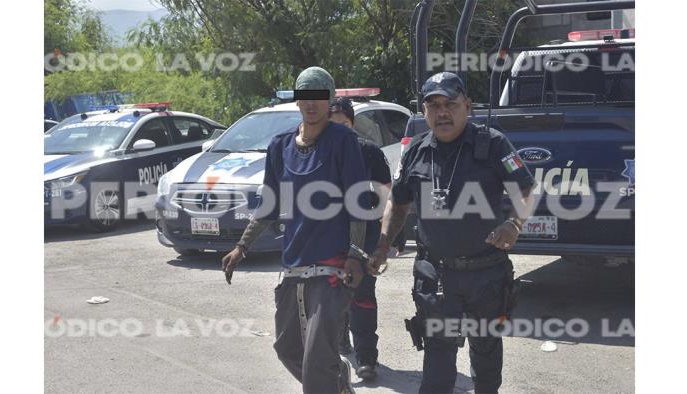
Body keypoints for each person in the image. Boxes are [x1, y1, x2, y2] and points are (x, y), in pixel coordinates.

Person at [367, 72, 536, 394]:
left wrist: (514, 224)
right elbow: (398, 205)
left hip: (486, 274)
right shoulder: (416, 150)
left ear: (467, 107)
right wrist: (382, 246)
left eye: (450, 104)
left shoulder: (493, 143)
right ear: (424, 110)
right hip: (436, 275)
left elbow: (525, 190)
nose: (442, 113)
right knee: (437, 360)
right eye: (433, 106)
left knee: (486, 357)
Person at [221, 67, 372, 394]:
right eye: (305, 96)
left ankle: (329, 381)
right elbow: (269, 204)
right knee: (287, 348)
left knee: (318, 359)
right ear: (297, 100)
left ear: (330, 100)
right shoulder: (280, 146)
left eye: (319, 96)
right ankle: (337, 381)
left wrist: (356, 254)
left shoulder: (343, 141)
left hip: (332, 265)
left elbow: (358, 201)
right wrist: (241, 247)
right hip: (294, 264)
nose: (311, 103)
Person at [329, 97, 392, 380]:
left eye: (342, 123)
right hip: (329, 236)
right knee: (332, 292)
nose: (338, 129)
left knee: (363, 295)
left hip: (364, 237)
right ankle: (341, 340)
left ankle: (367, 357)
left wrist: (387, 239)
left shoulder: (369, 153)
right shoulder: (321, 153)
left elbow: (385, 196)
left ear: (352, 123)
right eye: (332, 125)